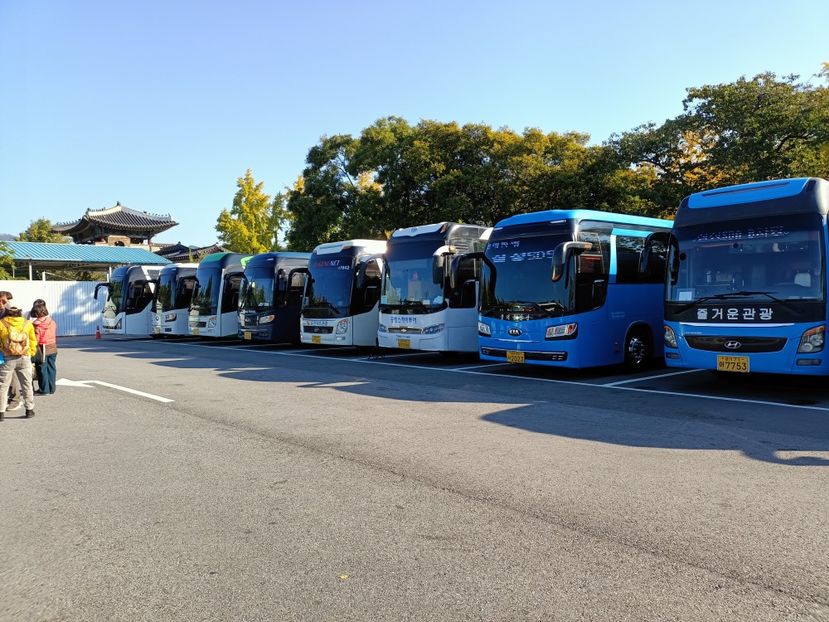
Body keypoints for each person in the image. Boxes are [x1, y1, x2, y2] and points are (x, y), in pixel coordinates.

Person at [0, 306, 37, 420]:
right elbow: (32, 340)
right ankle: (29, 410)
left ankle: (1, 412)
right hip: (24, 356)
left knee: (3, 386)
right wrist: (31, 352)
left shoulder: (1, 324)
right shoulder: (27, 324)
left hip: (7, 358)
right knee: (26, 384)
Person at [30, 299, 58, 395]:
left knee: (41, 368)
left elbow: (35, 340)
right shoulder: (52, 322)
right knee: (51, 368)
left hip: (42, 348)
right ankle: (52, 388)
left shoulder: (37, 325)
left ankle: (44, 389)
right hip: (53, 346)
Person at [0, 291, 22, 412]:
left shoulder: (12, 313)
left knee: (10, 374)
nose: (1, 304)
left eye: (4, 301)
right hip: (2, 348)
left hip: (10, 349)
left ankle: (15, 399)